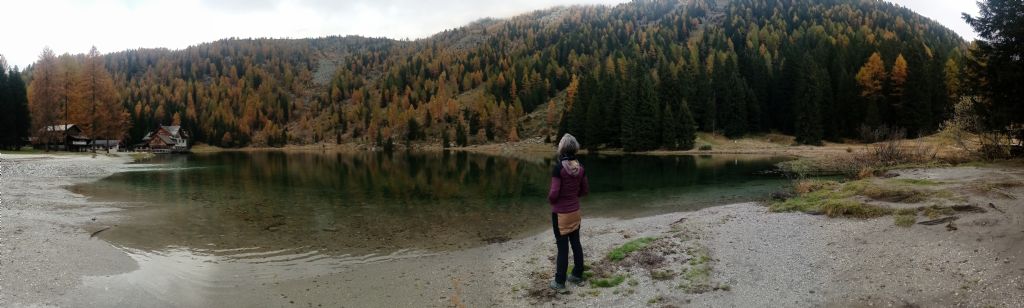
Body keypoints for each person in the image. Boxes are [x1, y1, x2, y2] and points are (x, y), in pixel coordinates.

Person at [547, 133, 589, 292]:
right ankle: (577, 275)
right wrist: (573, 197)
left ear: (562, 148)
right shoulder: (581, 168)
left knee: (562, 248)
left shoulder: (558, 169)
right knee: (576, 242)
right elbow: (585, 190)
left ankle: (559, 282)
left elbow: (554, 193)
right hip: (575, 211)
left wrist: (552, 201)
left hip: (560, 214)